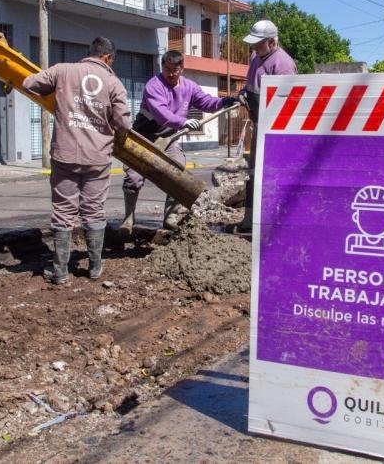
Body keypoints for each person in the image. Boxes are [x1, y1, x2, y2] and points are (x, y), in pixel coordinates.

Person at [22, 37, 131, 285]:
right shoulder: (113, 83)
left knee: (63, 212)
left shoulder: (62, 71)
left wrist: (57, 100)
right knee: (93, 210)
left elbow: (29, 83)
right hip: (97, 157)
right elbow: (124, 123)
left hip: (65, 154)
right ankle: (94, 268)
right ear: (108, 58)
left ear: (90, 53)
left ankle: (60, 271)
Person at [121, 50, 238, 233]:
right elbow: (161, 114)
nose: (170, 73)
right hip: (143, 136)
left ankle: (170, 217)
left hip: (168, 138)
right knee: (133, 177)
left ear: (181, 69)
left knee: (177, 171)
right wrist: (183, 122)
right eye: (166, 69)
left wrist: (224, 102)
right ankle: (128, 219)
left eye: (174, 70)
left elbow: (206, 102)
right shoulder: (154, 85)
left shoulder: (189, 87)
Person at [237, 19, 297, 232]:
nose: (254, 47)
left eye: (258, 43)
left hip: (275, 133)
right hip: (258, 126)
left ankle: (273, 222)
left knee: (272, 177)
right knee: (253, 174)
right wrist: (243, 94)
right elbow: (251, 86)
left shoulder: (283, 64)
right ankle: (249, 220)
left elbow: (284, 105)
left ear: (272, 42)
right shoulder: (255, 58)